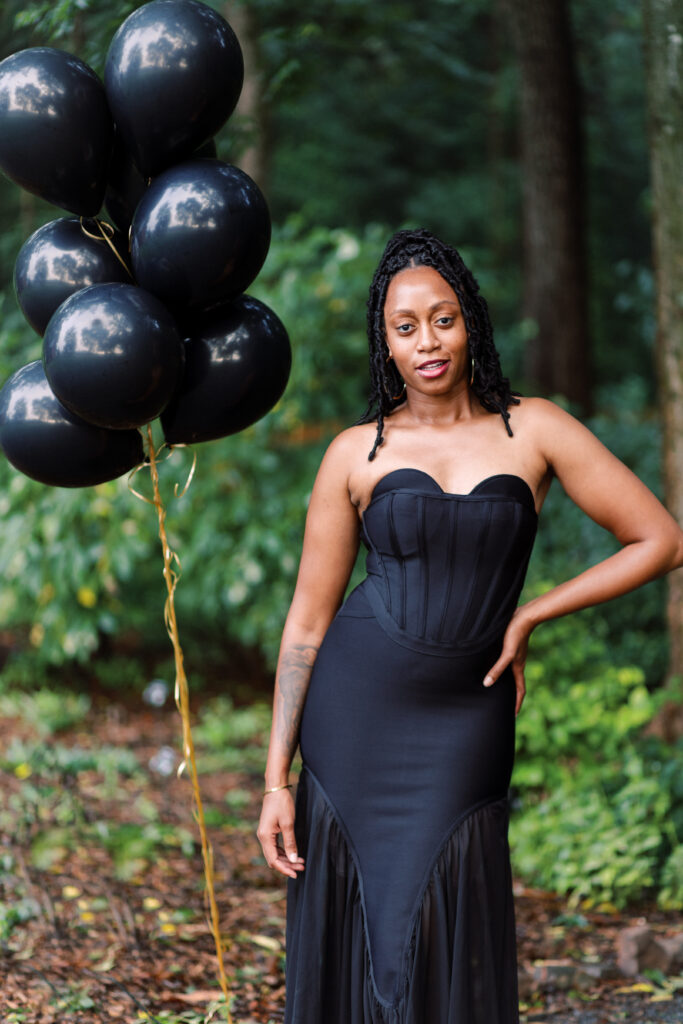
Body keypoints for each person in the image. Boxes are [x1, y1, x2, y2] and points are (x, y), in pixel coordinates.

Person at [256, 228, 683, 1024]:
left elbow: (659, 539)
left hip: (466, 715)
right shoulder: (356, 453)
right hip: (353, 715)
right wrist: (276, 779)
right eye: (405, 326)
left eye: (442, 319)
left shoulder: (536, 430)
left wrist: (530, 612)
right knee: (360, 922)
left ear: (470, 322)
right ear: (384, 343)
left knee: (449, 902)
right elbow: (307, 624)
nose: (427, 341)